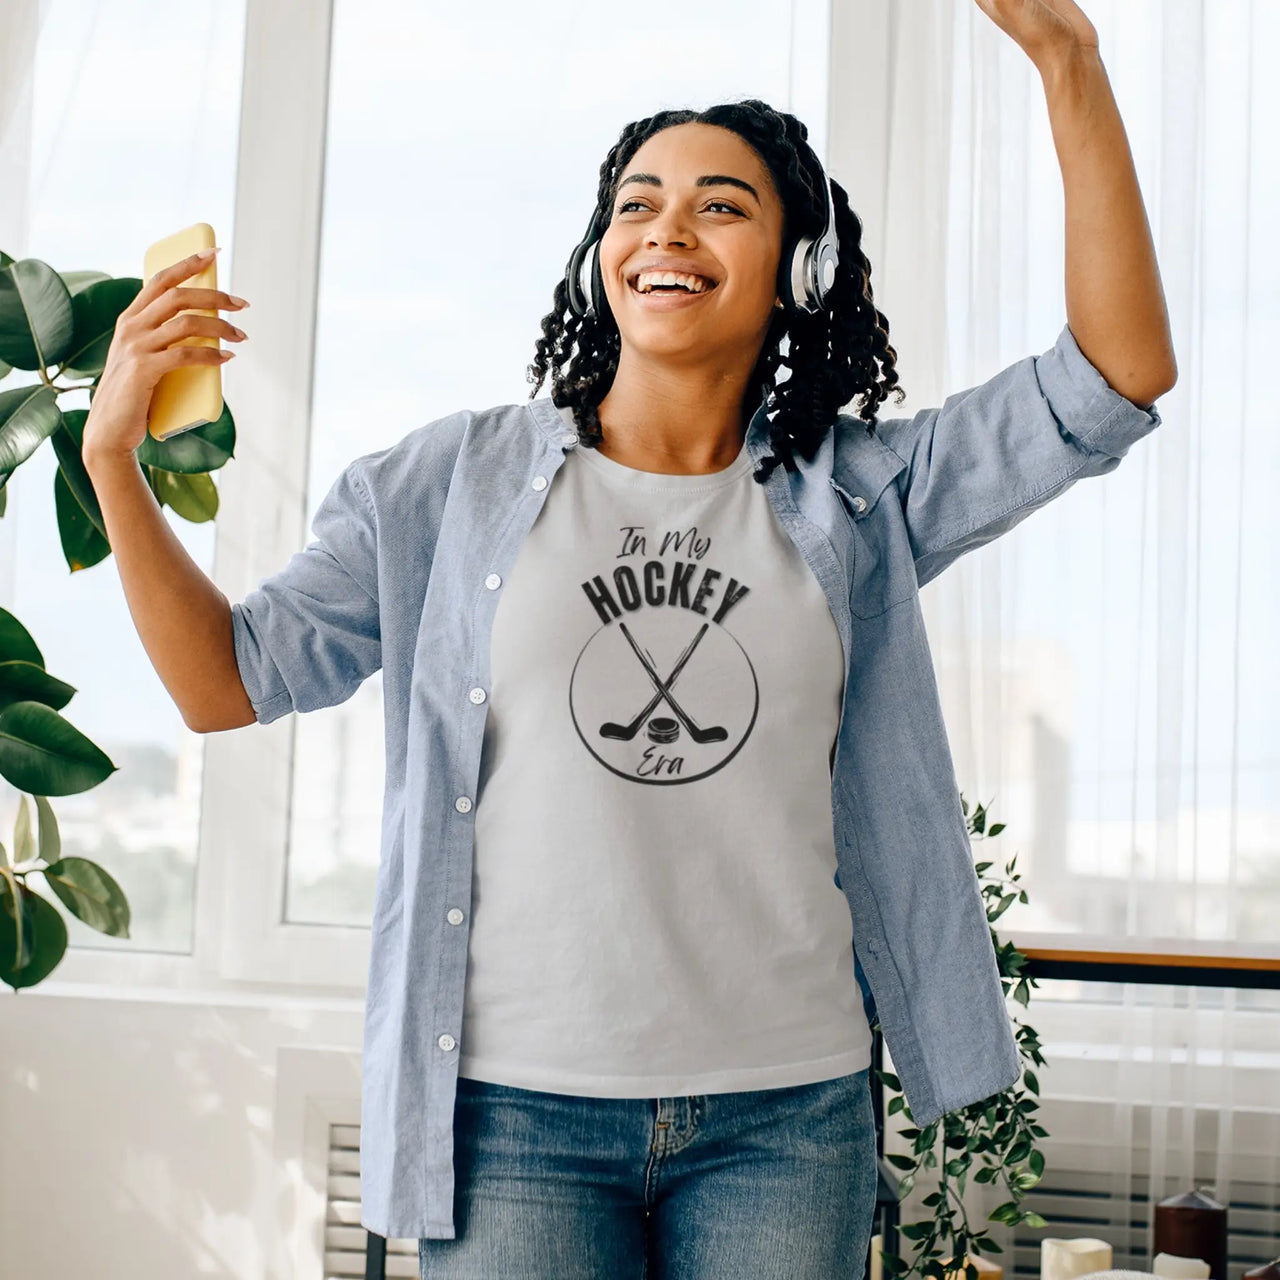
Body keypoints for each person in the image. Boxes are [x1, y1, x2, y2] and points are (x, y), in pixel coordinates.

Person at [84, 16, 1175, 1278]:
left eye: (720, 206)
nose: (665, 230)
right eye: (634, 203)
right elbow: (226, 680)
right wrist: (114, 458)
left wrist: (1065, 62)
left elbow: (1111, 374)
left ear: (798, 272)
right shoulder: (445, 485)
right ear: (601, 252)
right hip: (509, 1115)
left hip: (785, 1109)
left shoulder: (862, 498)